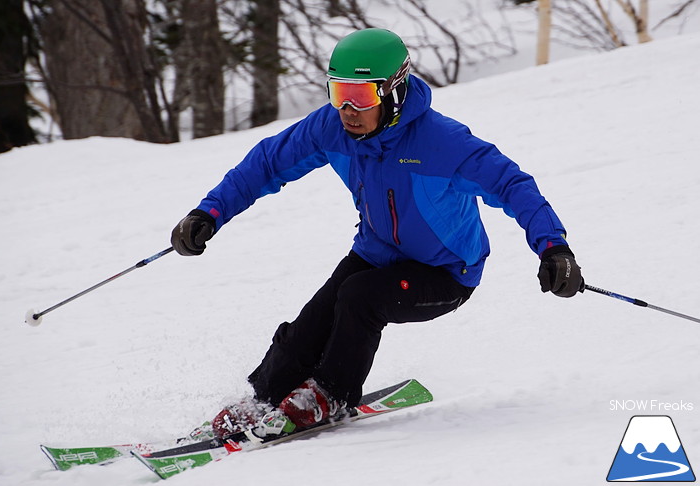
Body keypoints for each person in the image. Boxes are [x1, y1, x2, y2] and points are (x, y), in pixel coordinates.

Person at [171, 28, 584, 438]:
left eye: (362, 96)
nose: (347, 109)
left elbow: (513, 185)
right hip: (376, 253)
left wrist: (554, 249)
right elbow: (268, 163)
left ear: (395, 92)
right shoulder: (333, 129)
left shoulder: (444, 142)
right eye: (338, 93)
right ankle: (263, 398)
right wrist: (209, 212)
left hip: (444, 273)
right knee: (312, 322)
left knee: (360, 298)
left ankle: (331, 393)